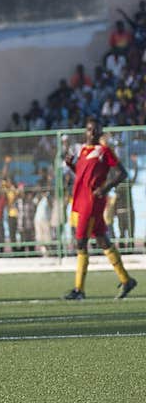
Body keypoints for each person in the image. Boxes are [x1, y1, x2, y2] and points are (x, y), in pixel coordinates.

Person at [63, 117, 136, 300]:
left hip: (91, 202)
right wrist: (71, 164)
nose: (93, 133)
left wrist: (105, 188)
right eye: (90, 129)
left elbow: (122, 173)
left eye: (97, 130)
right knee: (102, 240)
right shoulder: (83, 151)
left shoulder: (104, 151)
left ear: (100, 132)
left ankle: (79, 290)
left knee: (80, 242)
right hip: (80, 201)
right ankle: (126, 280)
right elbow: (83, 176)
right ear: (85, 131)